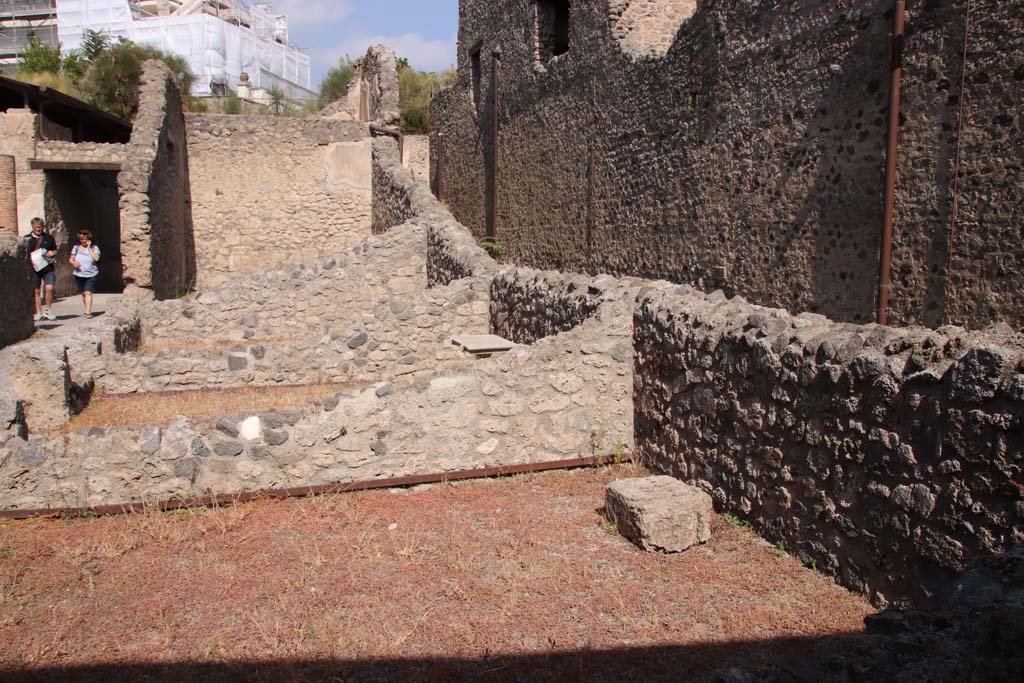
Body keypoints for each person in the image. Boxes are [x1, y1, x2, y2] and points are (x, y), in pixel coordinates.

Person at [25, 217, 58, 322]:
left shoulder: (49, 238)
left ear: (43, 227)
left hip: (47, 267)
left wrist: (52, 253)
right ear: (32, 227)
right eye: (36, 227)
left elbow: (55, 250)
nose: (38, 229)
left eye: (40, 227)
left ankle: (48, 310)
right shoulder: (27, 239)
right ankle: (38, 312)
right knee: (36, 291)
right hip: (34, 269)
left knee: (49, 288)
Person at [69, 229, 101, 318]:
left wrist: (89, 248)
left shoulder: (94, 248)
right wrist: (74, 263)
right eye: (81, 239)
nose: (83, 241)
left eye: (85, 239)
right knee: (83, 293)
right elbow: (71, 259)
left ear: (89, 239)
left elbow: (96, 259)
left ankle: (88, 312)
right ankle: (86, 308)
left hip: (91, 274)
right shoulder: (76, 248)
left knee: (88, 292)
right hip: (79, 274)